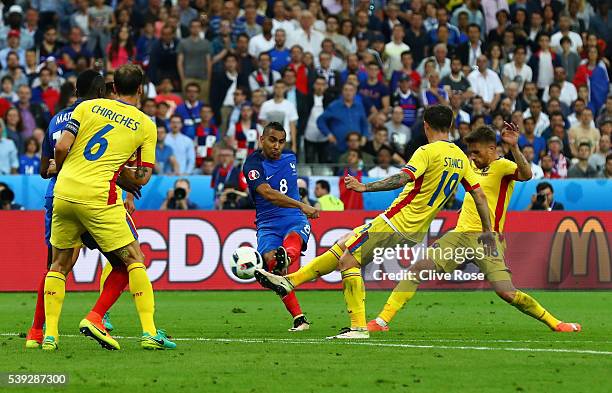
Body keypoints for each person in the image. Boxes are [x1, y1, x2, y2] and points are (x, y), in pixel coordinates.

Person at [255, 105, 494, 339]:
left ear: (425, 126)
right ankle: (290, 281)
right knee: (343, 243)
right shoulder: (461, 158)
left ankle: (358, 327)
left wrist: (364, 187)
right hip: (417, 229)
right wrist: (487, 231)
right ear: (451, 126)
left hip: (396, 221)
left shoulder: (427, 152)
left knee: (349, 260)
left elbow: (402, 178)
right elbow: (480, 196)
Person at [368, 124, 581, 333]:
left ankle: (555, 323)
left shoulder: (504, 166)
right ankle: (381, 321)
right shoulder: (469, 166)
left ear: (491, 149)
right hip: (460, 235)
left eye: (477, 152)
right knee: (417, 269)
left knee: (507, 293)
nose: (473, 156)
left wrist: (515, 147)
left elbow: (526, 175)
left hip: (487, 239)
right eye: (470, 152)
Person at [47, 65, 176, 350]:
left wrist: (67, 168)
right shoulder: (145, 124)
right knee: (133, 258)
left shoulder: (88, 108)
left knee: (59, 263)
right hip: (98, 196)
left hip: (64, 191)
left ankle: (49, 335)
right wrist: (120, 172)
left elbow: (61, 147)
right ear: (141, 89)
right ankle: (146, 331)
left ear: (113, 87)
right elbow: (141, 177)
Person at [25, 69, 141, 350]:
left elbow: (44, 170)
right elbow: (105, 161)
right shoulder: (100, 115)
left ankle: (38, 333)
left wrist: (59, 167)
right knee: (128, 261)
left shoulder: (56, 119)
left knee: (55, 268)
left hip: (58, 197)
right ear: (102, 92)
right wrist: (130, 182)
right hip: (94, 198)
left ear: (75, 92)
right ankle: (103, 317)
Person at [242, 121, 319, 331]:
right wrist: (303, 205)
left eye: (281, 141)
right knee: (274, 266)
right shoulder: (252, 164)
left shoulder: (290, 157)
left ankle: (287, 255)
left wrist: (299, 208)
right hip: (268, 223)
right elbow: (267, 194)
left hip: (293, 218)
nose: (277, 145)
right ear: (262, 140)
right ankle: (299, 319)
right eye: (272, 140)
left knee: (287, 250)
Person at [258, 80, 298, 152]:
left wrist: (294, 145)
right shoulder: (266, 105)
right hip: (269, 141)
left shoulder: (290, 105)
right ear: (273, 89)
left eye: (281, 88)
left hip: (285, 140)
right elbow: (262, 126)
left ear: (285, 89)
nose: (279, 90)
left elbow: (292, 126)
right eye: (277, 87)